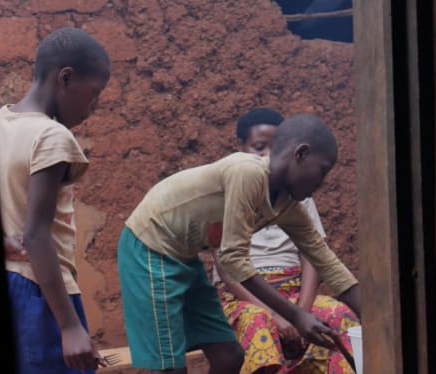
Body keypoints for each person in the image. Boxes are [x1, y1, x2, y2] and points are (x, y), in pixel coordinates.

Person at [117, 114, 361, 373]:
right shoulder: (248, 172)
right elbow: (233, 259)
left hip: (185, 258)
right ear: (300, 154)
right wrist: (295, 315)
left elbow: (325, 260)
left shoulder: (287, 204)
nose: (321, 183)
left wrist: (375, 318)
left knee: (229, 356)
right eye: (322, 171)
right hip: (150, 248)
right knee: (170, 367)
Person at [0, 27, 110, 374]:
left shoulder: (1, 120)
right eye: (94, 93)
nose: (95, 104)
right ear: (66, 78)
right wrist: (71, 327)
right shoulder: (52, 137)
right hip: (44, 290)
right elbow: (36, 234)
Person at [211, 108, 359, 373]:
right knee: (258, 324)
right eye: (258, 147)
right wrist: (282, 316)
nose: (267, 155)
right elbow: (228, 263)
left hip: (294, 292)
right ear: (241, 148)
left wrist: (302, 311)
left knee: (340, 317)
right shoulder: (235, 184)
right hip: (246, 298)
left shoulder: (299, 197)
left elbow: (315, 256)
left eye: (272, 147)